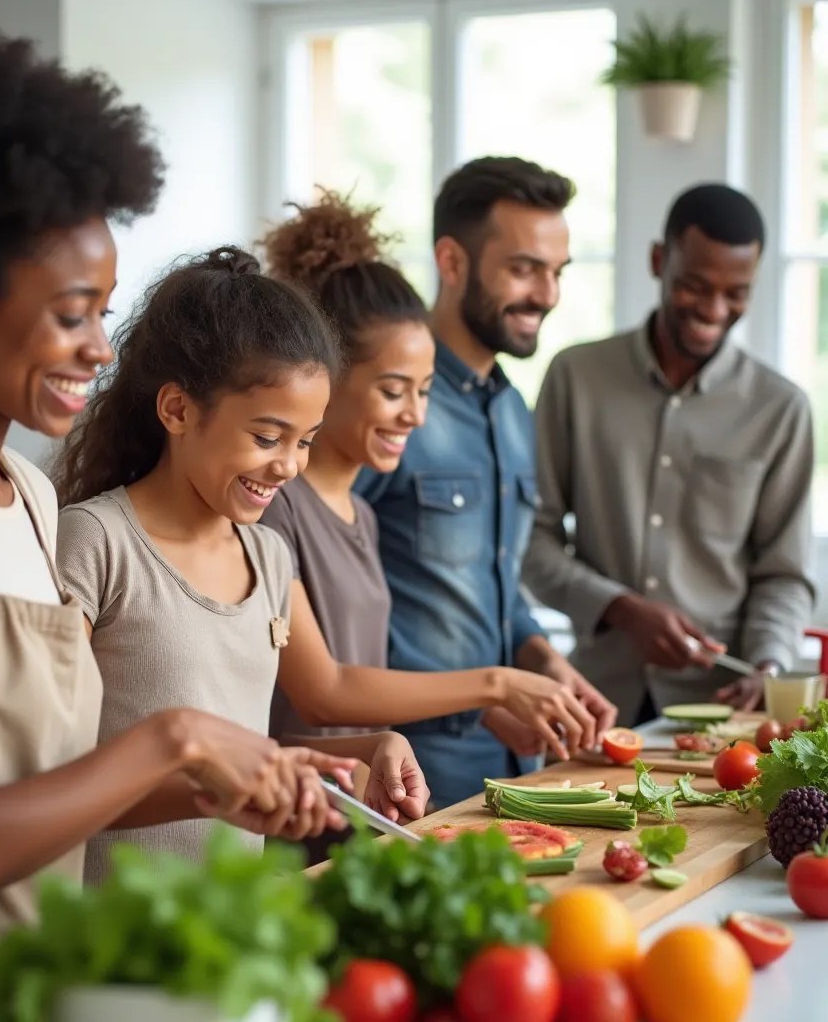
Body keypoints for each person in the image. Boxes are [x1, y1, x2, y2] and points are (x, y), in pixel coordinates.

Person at [0, 35, 352, 1020]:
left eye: (103, 312)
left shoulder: (27, 494)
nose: (102, 349)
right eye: (72, 314)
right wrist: (180, 737)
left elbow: (43, 794)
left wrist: (227, 780)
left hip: (30, 977)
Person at [51, 242, 602, 873]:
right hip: (109, 915)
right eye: (267, 437)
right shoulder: (94, 541)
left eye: (305, 441)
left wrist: (370, 746)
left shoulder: (266, 555)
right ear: (177, 409)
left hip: (239, 908)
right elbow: (52, 779)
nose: (288, 466)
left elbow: (250, 747)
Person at [259, 191, 606, 834]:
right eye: (395, 391)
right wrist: (495, 687)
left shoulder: (363, 514)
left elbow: (488, 586)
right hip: (316, 808)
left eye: (423, 391)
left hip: (373, 800)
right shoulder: (275, 507)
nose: (416, 416)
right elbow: (323, 690)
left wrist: (527, 669)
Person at [354, 156, 618, 809]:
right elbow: (328, 597)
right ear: (451, 261)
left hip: (518, 770)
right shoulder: (383, 409)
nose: (547, 295)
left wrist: (542, 658)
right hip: (410, 778)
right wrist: (483, 700)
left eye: (557, 272)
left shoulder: (512, 411)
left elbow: (495, 581)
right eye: (524, 269)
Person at [523, 183, 816, 723]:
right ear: (659, 261)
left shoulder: (781, 410)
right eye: (695, 286)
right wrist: (618, 607)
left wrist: (769, 666)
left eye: (736, 293)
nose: (714, 309)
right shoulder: (575, 378)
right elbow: (530, 540)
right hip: (592, 706)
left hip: (723, 714)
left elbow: (784, 574)